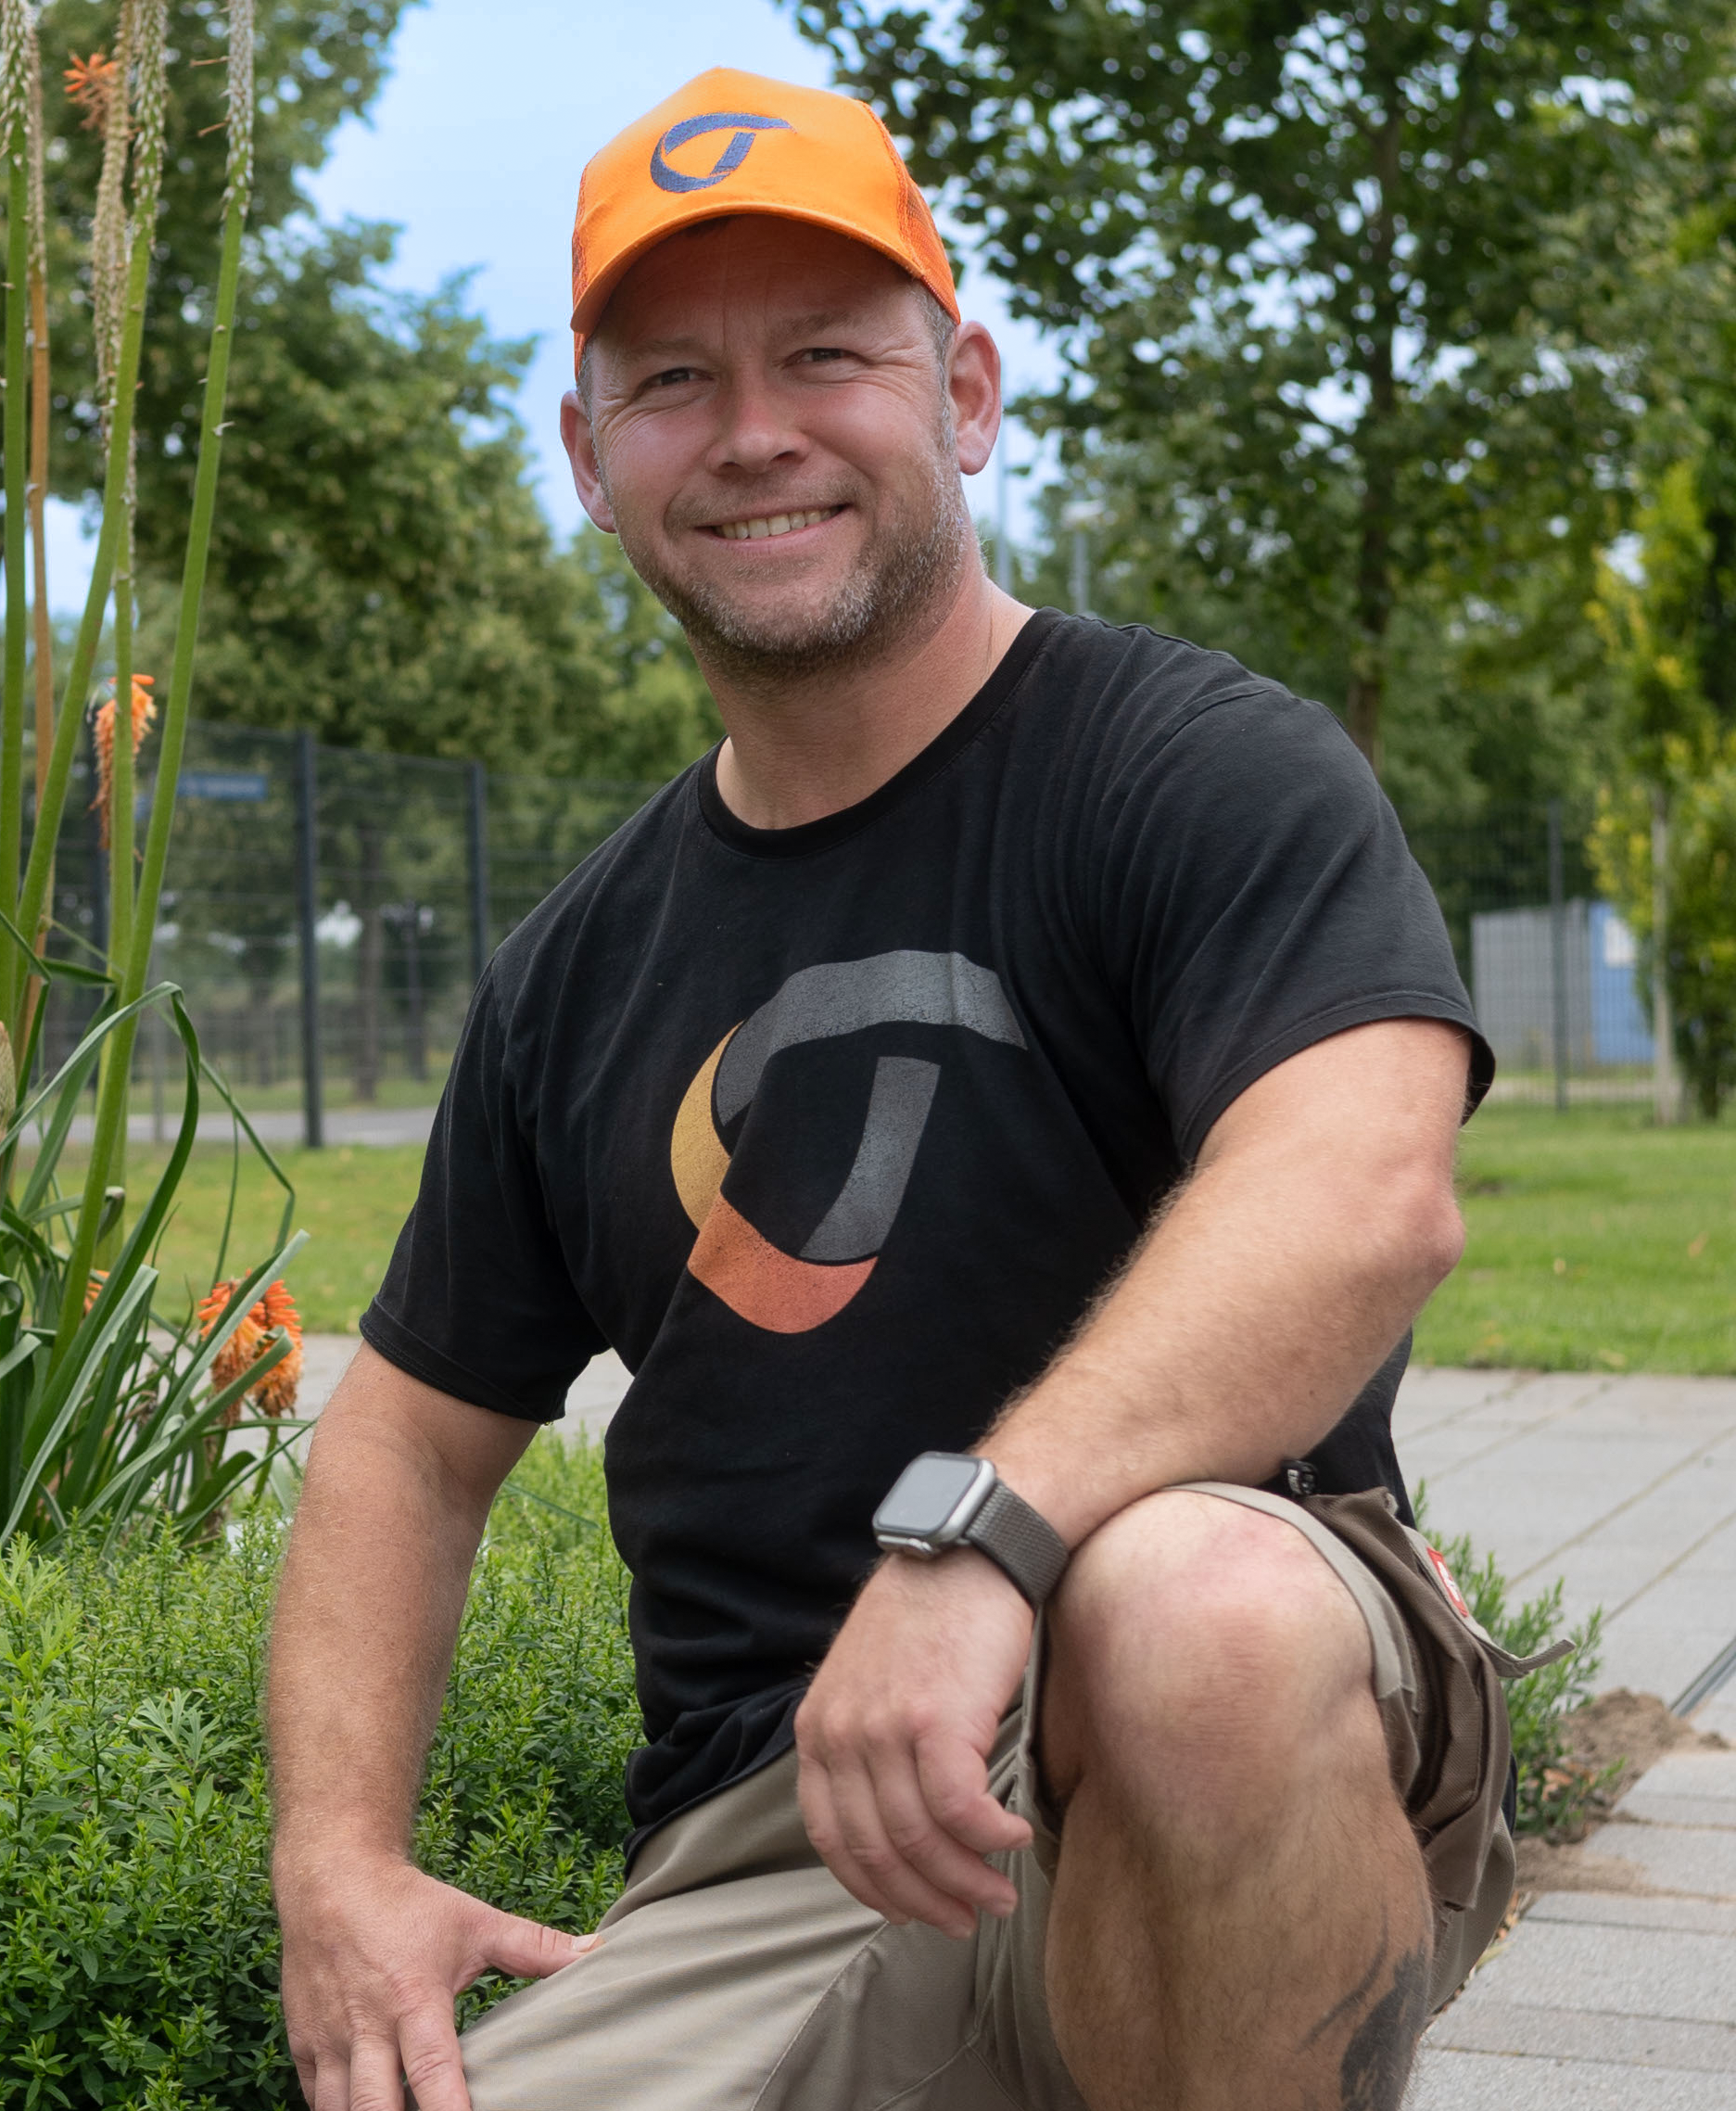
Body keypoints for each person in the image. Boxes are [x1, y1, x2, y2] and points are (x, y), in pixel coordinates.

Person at [268, 68, 1540, 2111]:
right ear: (587, 458)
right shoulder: (573, 972)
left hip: (1200, 1733)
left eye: (826, 357)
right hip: (774, 1855)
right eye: (671, 377)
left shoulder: (1193, 767)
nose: (755, 430)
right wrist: (334, 1863)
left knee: (1186, 1605)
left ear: (962, 390)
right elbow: (406, 1447)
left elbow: (1361, 1186)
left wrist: (979, 1543)